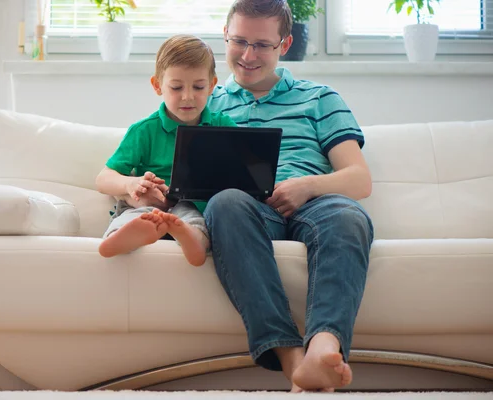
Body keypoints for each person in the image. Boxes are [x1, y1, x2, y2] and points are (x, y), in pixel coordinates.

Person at [204, 0, 374, 392]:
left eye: (262, 45)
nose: (248, 55)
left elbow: (359, 179)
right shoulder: (205, 101)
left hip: (316, 204)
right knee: (225, 202)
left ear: (284, 44)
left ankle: (324, 347)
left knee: (349, 217)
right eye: (239, 41)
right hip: (246, 213)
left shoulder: (319, 98)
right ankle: (292, 360)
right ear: (225, 38)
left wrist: (307, 186)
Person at [95, 34, 238, 267]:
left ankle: (189, 238)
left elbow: (241, 173)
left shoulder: (224, 126)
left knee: (195, 220)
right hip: (148, 203)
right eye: (176, 87)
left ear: (212, 85)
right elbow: (103, 179)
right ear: (157, 85)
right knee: (134, 215)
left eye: (199, 87)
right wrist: (131, 184)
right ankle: (121, 237)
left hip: (194, 204)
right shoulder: (144, 130)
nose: (188, 96)